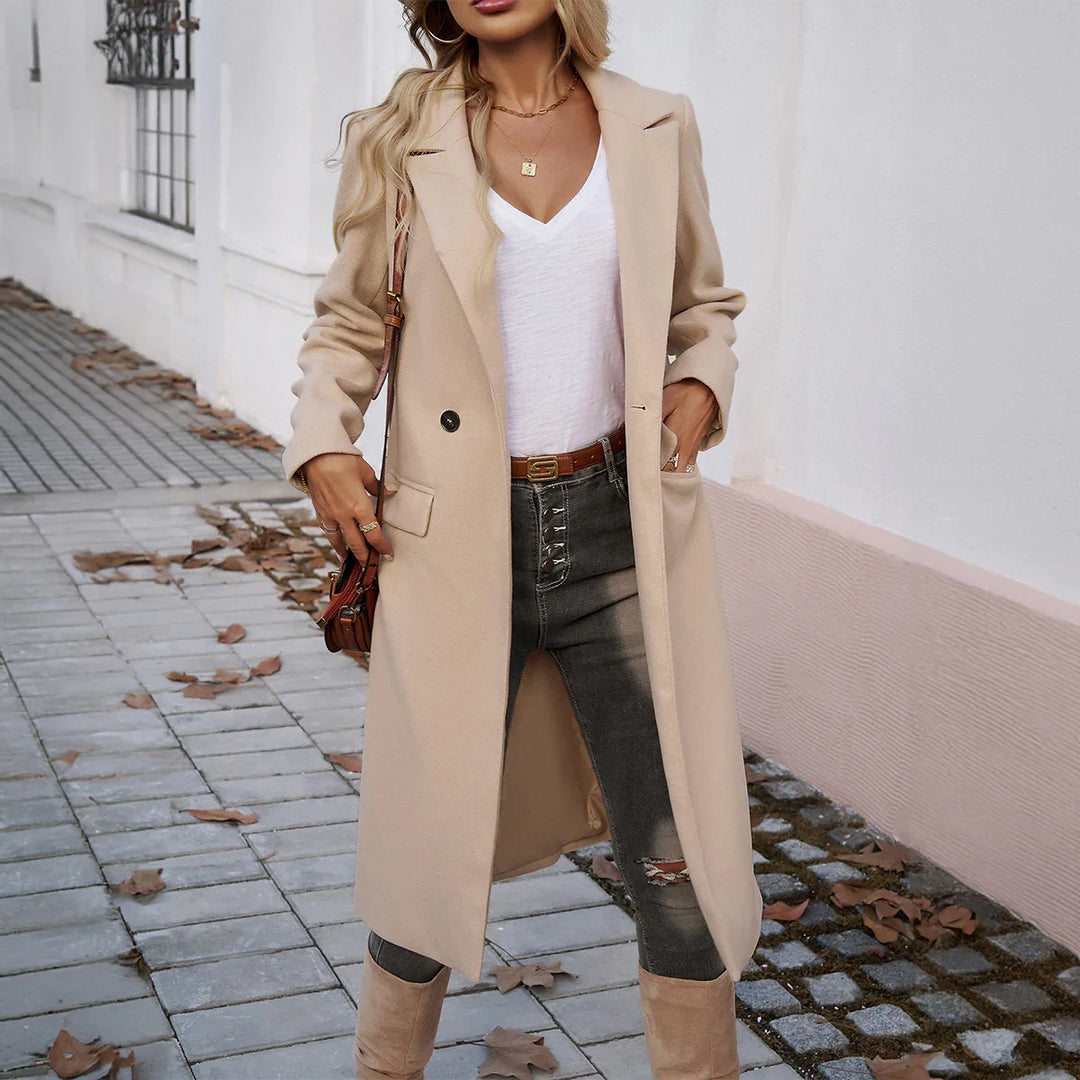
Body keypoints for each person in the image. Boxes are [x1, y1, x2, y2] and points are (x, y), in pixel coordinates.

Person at [282, 1, 763, 1076]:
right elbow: (350, 320)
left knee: (674, 849)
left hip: (620, 536)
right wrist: (323, 441)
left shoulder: (655, 125)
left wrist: (700, 384)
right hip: (453, 546)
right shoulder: (400, 134)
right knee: (425, 857)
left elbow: (705, 305)